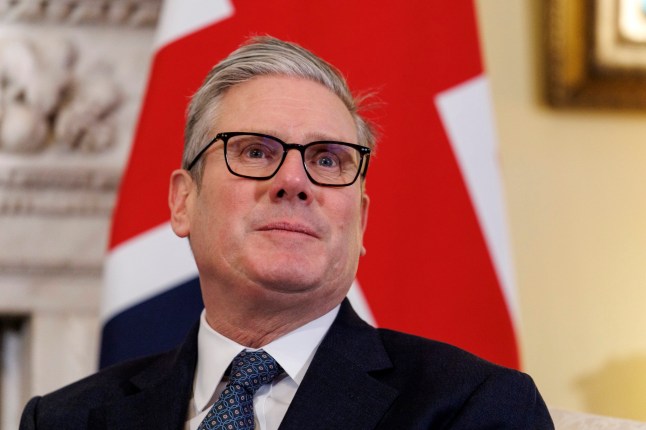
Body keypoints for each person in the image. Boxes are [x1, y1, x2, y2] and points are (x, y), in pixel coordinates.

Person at [20, 36, 554, 429]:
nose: (294, 181)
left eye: (327, 159)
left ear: (361, 220)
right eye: (256, 151)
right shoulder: (65, 419)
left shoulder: (476, 409)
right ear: (183, 201)